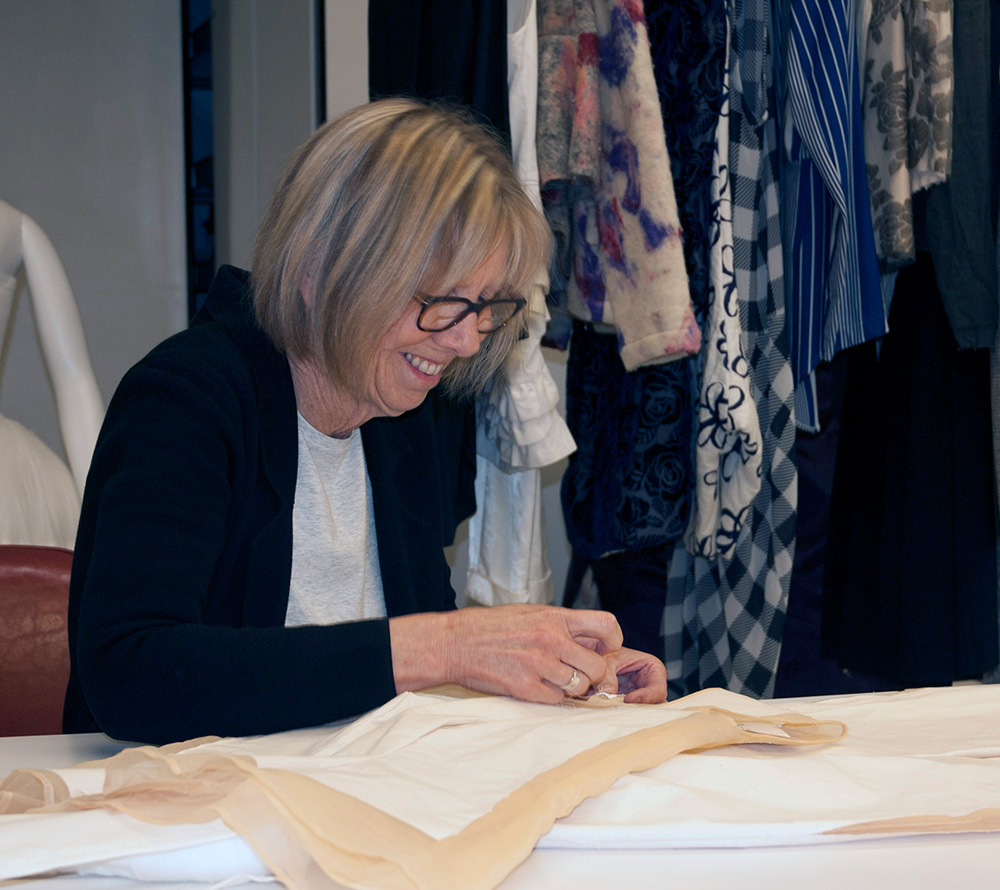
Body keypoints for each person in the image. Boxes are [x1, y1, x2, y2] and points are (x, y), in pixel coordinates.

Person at [63, 98, 666, 746]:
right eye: (440, 303)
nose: (466, 342)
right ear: (322, 270)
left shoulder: (397, 412)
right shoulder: (186, 400)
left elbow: (404, 646)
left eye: (487, 306)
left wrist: (553, 667)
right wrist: (449, 645)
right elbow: (131, 677)